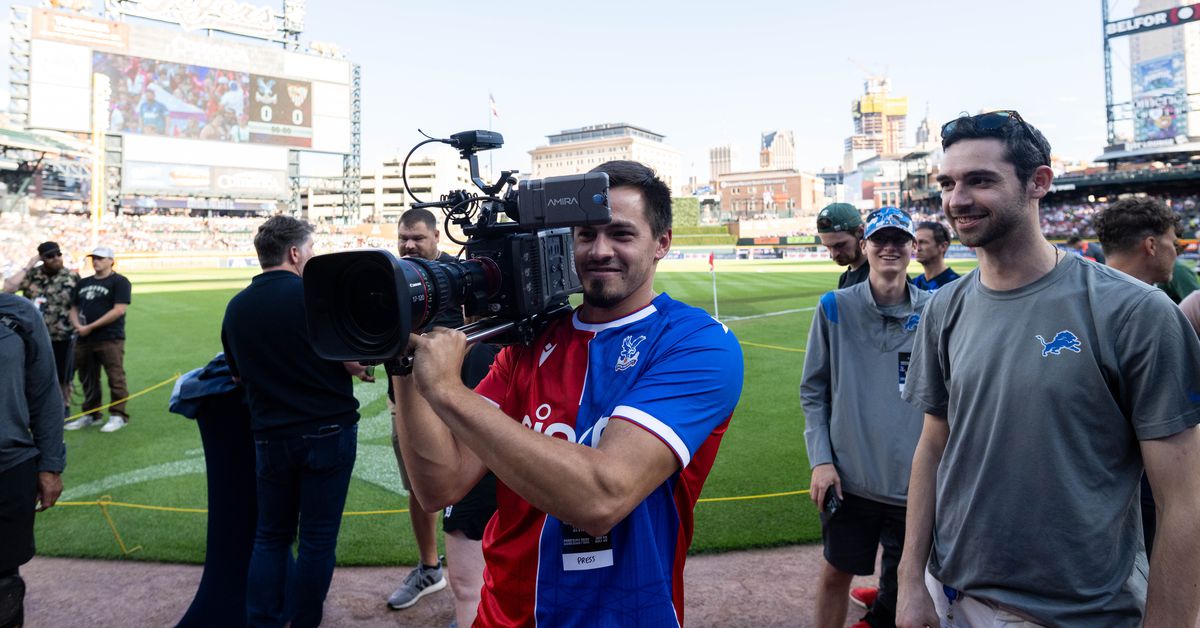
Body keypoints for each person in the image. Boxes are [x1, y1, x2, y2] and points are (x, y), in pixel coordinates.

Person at [392, 160, 744, 625]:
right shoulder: (530, 341)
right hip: (501, 615)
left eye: (621, 234)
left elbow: (603, 498)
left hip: (624, 616)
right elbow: (439, 485)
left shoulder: (697, 343)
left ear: (662, 243)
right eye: (585, 234)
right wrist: (401, 355)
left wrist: (447, 391)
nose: (600, 250)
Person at [896, 110, 1200, 628]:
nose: (956, 199)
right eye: (948, 182)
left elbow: (1185, 498)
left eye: (980, 180)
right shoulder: (943, 309)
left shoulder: (1136, 313)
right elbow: (932, 445)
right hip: (952, 596)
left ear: (1039, 182)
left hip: (1082, 612)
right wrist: (908, 583)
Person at [221, 216, 371, 627]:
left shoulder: (236, 308)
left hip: (270, 436)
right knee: (317, 543)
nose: (312, 256)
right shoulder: (314, 295)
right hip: (328, 431)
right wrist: (356, 369)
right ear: (294, 253)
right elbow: (352, 359)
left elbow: (237, 376)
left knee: (270, 536)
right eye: (311, 249)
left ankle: (262, 621)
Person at [801, 207, 930, 628]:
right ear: (866, 245)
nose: (889, 248)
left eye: (899, 240)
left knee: (911, 585)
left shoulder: (937, 311)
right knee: (836, 574)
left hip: (917, 484)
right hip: (850, 480)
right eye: (880, 240)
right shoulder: (834, 307)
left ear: (914, 247)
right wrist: (820, 459)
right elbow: (813, 390)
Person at [385, 209, 499, 625]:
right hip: (407, 401)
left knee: (477, 497)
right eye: (403, 238)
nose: (409, 245)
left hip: (468, 403)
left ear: (437, 236)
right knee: (421, 488)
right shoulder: (392, 276)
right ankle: (430, 568)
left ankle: (476, 596)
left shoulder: (462, 276)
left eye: (417, 237)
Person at [1094, 196, 1181, 558]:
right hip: (1140, 480)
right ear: (1151, 245)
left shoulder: (1071, 300)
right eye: (1173, 244)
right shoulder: (1152, 310)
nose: (1175, 252)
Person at [0, 292, 65, 628]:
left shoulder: (18, 313)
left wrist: (51, 465)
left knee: (4, 585)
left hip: (10, 467)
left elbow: (45, 393)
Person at [3, 241, 80, 415]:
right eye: (50, 256)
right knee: (31, 373)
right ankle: (33, 409)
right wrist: (30, 264)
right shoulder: (32, 275)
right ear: (42, 258)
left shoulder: (71, 276)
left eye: (58, 254)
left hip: (62, 335)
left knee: (63, 375)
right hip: (33, 336)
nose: (56, 259)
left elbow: (79, 305)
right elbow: (7, 289)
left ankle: (63, 407)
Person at [67, 246, 132, 433]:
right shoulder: (83, 282)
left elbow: (119, 309)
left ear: (111, 260)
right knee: (87, 377)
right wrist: (78, 326)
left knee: (115, 377)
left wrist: (89, 327)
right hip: (84, 339)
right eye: (94, 258)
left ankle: (118, 415)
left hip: (110, 338)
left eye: (100, 258)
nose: (96, 261)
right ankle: (91, 414)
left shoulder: (119, 282)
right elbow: (73, 308)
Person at [817, 202, 869, 288]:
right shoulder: (844, 279)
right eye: (828, 247)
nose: (833, 255)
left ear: (861, 232)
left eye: (840, 245)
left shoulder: (878, 277)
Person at [910, 221, 960, 291]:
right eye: (915, 243)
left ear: (943, 246)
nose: (917, 248)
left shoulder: (956, 285)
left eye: (923, 242)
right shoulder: (913, 285)